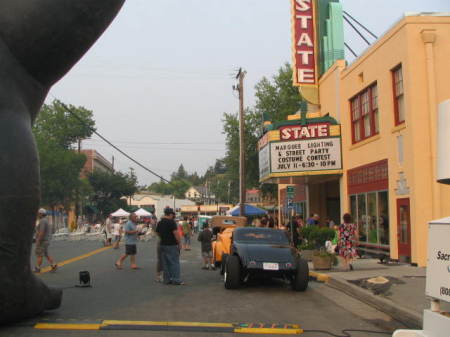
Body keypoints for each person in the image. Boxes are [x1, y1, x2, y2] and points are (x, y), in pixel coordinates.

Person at [156, 208, 184, 285]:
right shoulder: (171, 222)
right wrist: (179, 243)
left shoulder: (160, 222)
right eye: (173, 214)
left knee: (165, 263)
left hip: (163, 244)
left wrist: (163, 237)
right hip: (171, 244)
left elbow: (158, 233)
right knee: (174, 262)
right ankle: (176, 279)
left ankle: (167, 280)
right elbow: (175, 233)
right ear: (170, 214)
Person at [34, 208, 57, 273]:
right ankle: (54, 265)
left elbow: (41, 232)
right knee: (45, 254)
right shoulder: (45, 220)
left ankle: (37, 268)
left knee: (39, 254)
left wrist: (38, 240)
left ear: (41, 214)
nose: (37, 214)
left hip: (43, 241)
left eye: (38, 213)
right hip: (46, 240)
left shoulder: (42, 221)